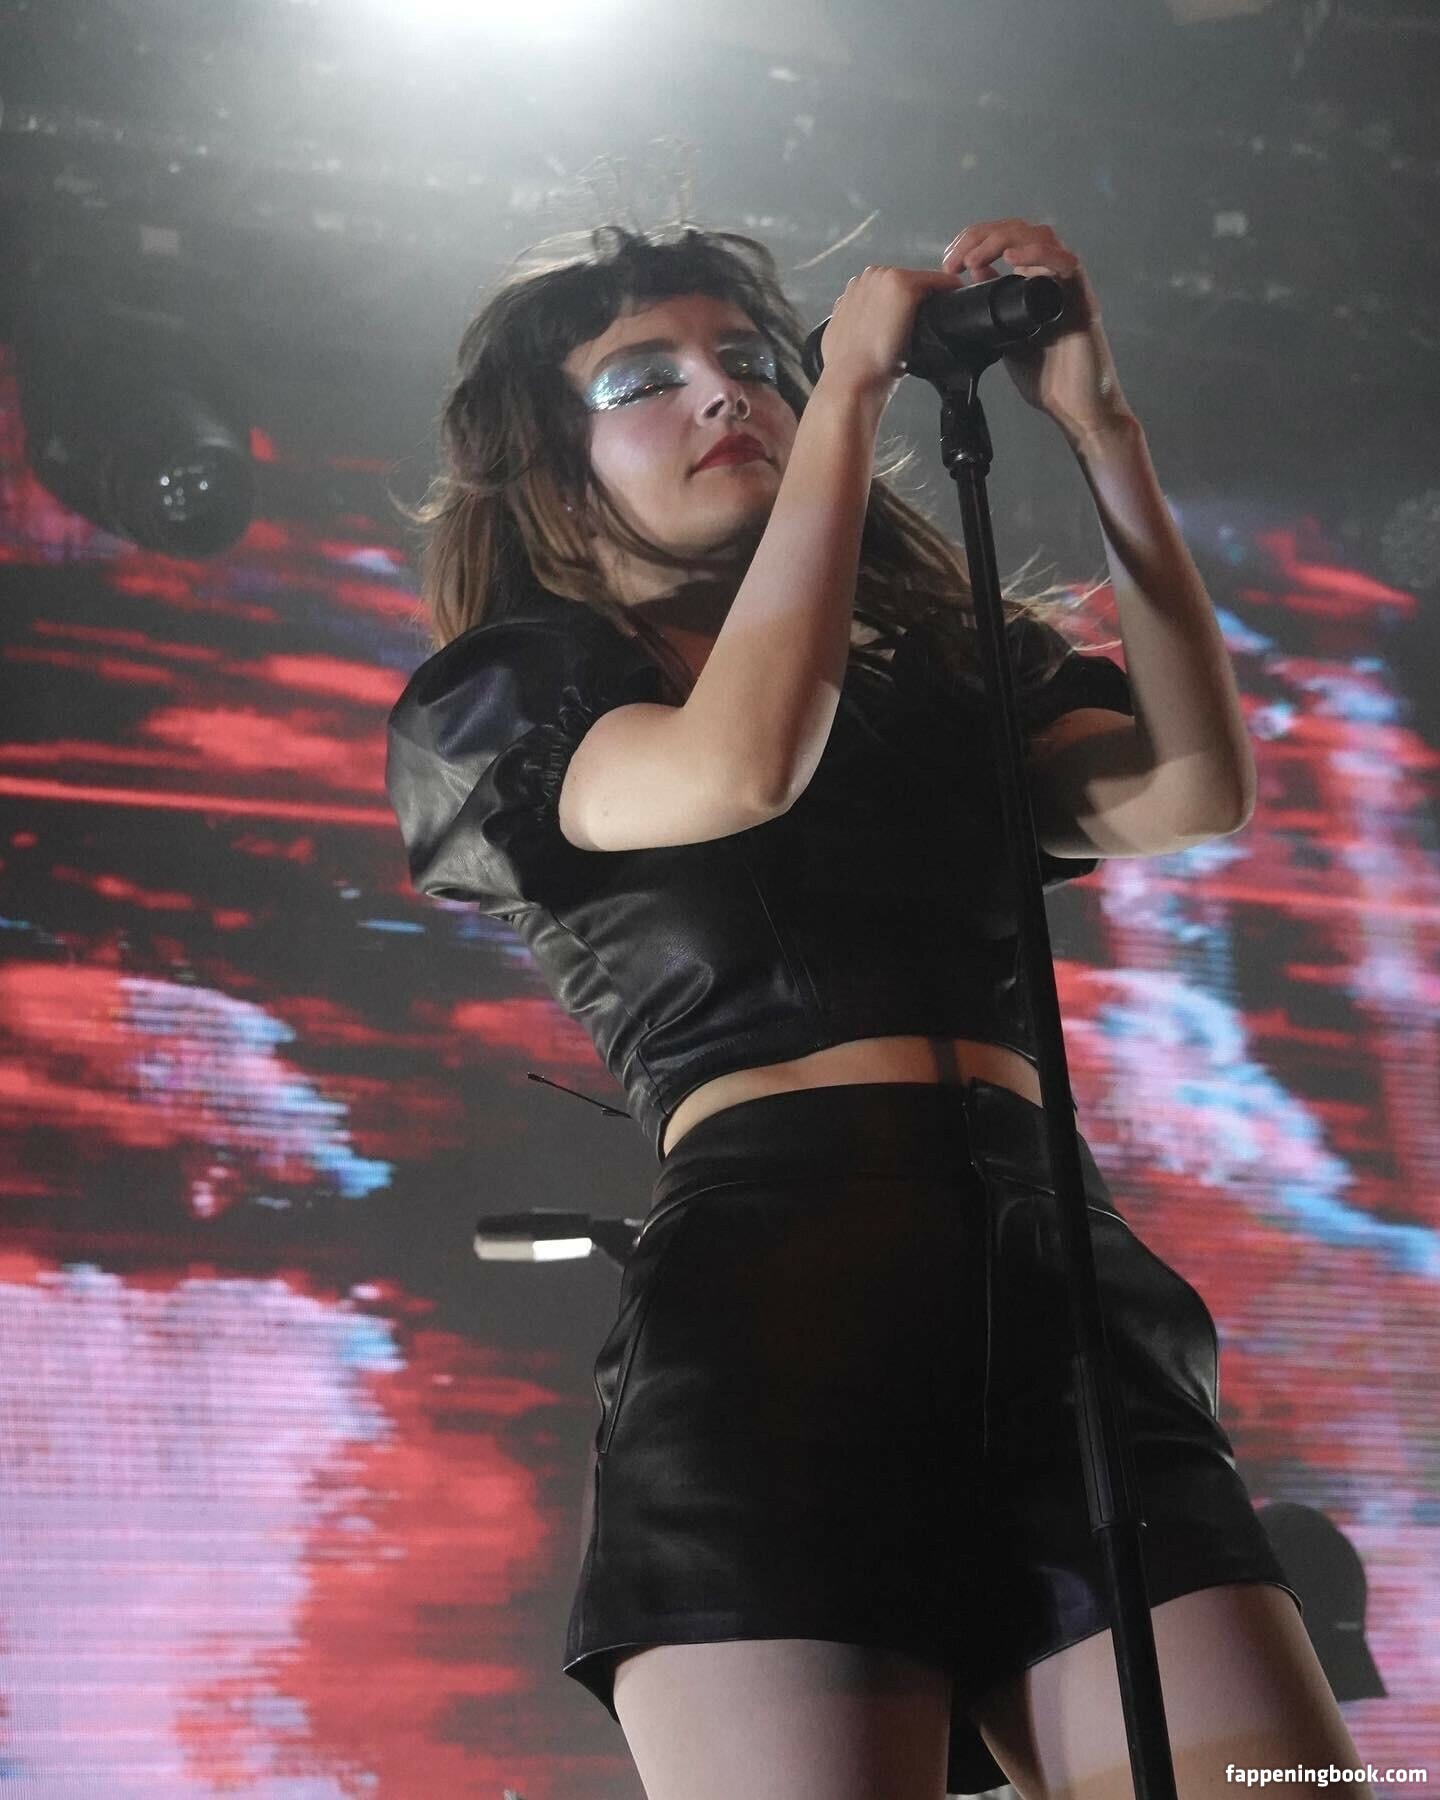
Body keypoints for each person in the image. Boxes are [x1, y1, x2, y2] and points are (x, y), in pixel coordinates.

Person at [385, 218, 1372, 1799]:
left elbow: (1189, 785)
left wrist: (1102, 429)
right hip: (781, 1311)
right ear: (550, 471)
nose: (726, 394)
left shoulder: (933, 673)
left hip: (1059, 1285)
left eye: (751, 360)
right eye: (644, 379)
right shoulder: (511, 698)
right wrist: (846, 390)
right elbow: (739, 765)